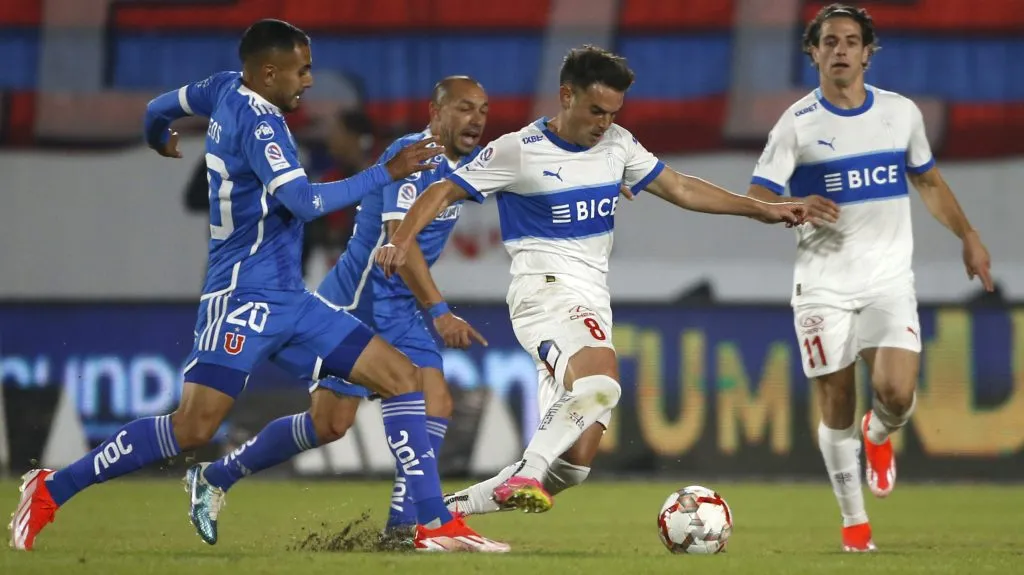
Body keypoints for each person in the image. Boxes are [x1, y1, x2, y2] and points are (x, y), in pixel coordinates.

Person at [9, 19, 507, 554]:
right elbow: (305, 203)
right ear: (268, 72)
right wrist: (386, 172)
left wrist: (158, 136)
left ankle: (430, 523)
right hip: (242, 297)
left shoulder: (223, 84)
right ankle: (51, 488)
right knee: (193, 429)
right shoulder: (261, 124)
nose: (310, 81)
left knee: (402, 378)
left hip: (290, 296)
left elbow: (160, 106)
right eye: (302, 70)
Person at [376, 45, 804, 518]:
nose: (604, 123)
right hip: (545, 292)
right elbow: (442, 188)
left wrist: (759, 208)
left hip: (591, 298)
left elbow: (680, 187)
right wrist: (402, 239)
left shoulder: (618, 144)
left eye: (613, 112)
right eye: (596, 110)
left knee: (573, 465)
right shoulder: (520, 150)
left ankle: (440, 513)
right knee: (602, 385)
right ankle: (524, 473)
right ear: (566, 95)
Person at [745, 3, 993, 552]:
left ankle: (878, 434)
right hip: (822, 285)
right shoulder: (796, 124)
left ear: (867, 52)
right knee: (836, 401)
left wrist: (968, 236)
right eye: (829, 41)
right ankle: (854, 522)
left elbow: (927, 182)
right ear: (812, 52)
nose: (840, 50)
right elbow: (757, 195)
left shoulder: (901, 114)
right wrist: (791, 204)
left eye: (851, 41)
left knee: (896, 393)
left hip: (888, 281)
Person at [247, 75, 490, 542]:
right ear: (435, 112)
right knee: (329, 425)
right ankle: (219, 476)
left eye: (482, 110)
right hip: (360, 302)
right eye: (463, 108)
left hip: (398, 305)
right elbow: (401, 240)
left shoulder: (471, 164)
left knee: (435, 402)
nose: (475, 119)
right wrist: (439, 311)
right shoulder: (416, 154)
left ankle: (407, 528)